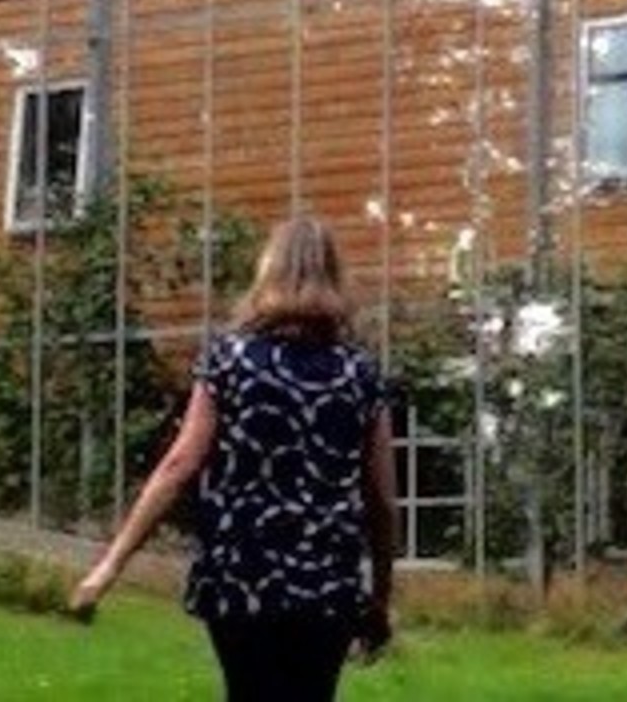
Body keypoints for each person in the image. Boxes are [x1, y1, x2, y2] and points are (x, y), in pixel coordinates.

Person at [69, 215, 397, 702]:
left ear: (267, 272)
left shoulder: (229, 361)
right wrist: (380, 597)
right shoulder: (361, 374)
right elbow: (381, 499)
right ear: (334, 278)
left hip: (241, 573)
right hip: (326, 580)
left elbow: (179, 466)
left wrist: (109, 566)